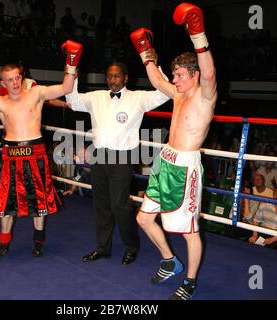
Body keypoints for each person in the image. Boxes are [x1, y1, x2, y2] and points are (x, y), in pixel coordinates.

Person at [0, 39, 82, 261]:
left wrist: (71, 61)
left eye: (17, 78)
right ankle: (4, 244)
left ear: (22, 77)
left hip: (36, 152)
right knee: (7, 204)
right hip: (11, 156)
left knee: (39, 203)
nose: (15, 83)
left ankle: (38, 242)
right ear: (3, 82)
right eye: (10, 80)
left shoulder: (36, 94)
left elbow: (66, 88)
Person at [132, 2, 217, 300]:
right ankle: (170, 261)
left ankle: (190, 281)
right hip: (164, 162)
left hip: (185, 170)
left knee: (189, 231)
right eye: (175, 74)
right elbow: (156, 79)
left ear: (193, 75)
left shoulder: (205, 96)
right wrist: (145, 51)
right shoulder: (178, 94)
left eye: (180, 75)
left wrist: (197, 33)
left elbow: (209, 73)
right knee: (143, 218)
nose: (175, 80)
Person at [65, 61, 170, 265]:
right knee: (101, 205)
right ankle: (102, 248)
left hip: (123, 158)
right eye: (109, 76)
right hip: (99, 155)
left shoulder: (138, 98)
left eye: (116, 76)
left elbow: (165, 92)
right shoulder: (96, 97)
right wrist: (72, 74)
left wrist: (154, 64)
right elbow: (73, 100)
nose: (112, 80)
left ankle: (132, 246)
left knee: (120, 205)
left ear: (125, 78)